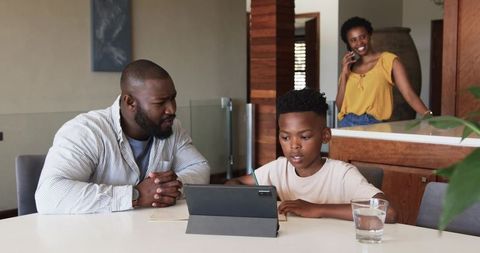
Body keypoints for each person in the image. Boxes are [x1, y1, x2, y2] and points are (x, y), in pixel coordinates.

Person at [35, 59, 210, 214]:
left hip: (149, 235)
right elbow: (49, 195)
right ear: (130, 102)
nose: (171, 109)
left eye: (173, 99)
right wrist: (136, 195)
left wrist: (167, 188)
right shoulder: (86, 131)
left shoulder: (171, 127)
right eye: (160, 102)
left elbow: (200, 168)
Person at [226, 88, 397, 223]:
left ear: (325, 136)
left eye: (305, 137)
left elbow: (387, 212)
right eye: (285, 137)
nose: (294, 145)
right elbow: (237, 182)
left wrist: (318, 209)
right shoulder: (279, 168)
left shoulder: (342, 174)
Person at [336, 16, 431, 127]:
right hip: (346, 125)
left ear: (369, 35)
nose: (359, 43)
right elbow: (339, 106)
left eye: (363, 37)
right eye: (353, 40)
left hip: (373, 125)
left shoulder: (388, 61)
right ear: (349, 44)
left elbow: (409, 94)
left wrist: (429, 116)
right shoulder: (348, 69)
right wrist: (344, 74)